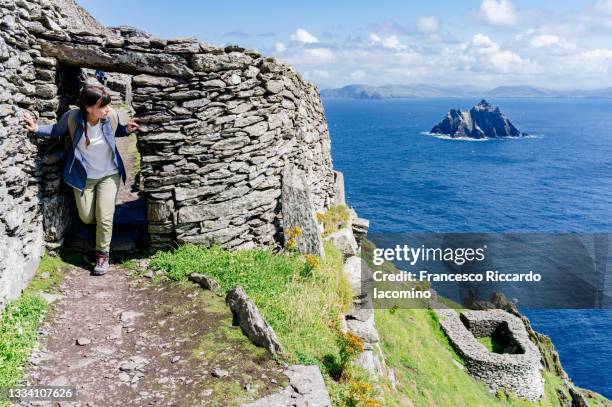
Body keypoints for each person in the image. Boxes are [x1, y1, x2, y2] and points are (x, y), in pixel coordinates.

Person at [22, 84, 140, 276]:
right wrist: (35, 128)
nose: (107, 109)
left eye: (107, 105)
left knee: (105, 215)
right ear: (88, 108)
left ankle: (102, 255)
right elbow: (55, 130)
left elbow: (116, 131)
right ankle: (99, 232)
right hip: (83, 176)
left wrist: (127, 129)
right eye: (102, 106)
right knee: (86, 216)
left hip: (109, 174)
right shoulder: (72, 119)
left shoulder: (109, 117)